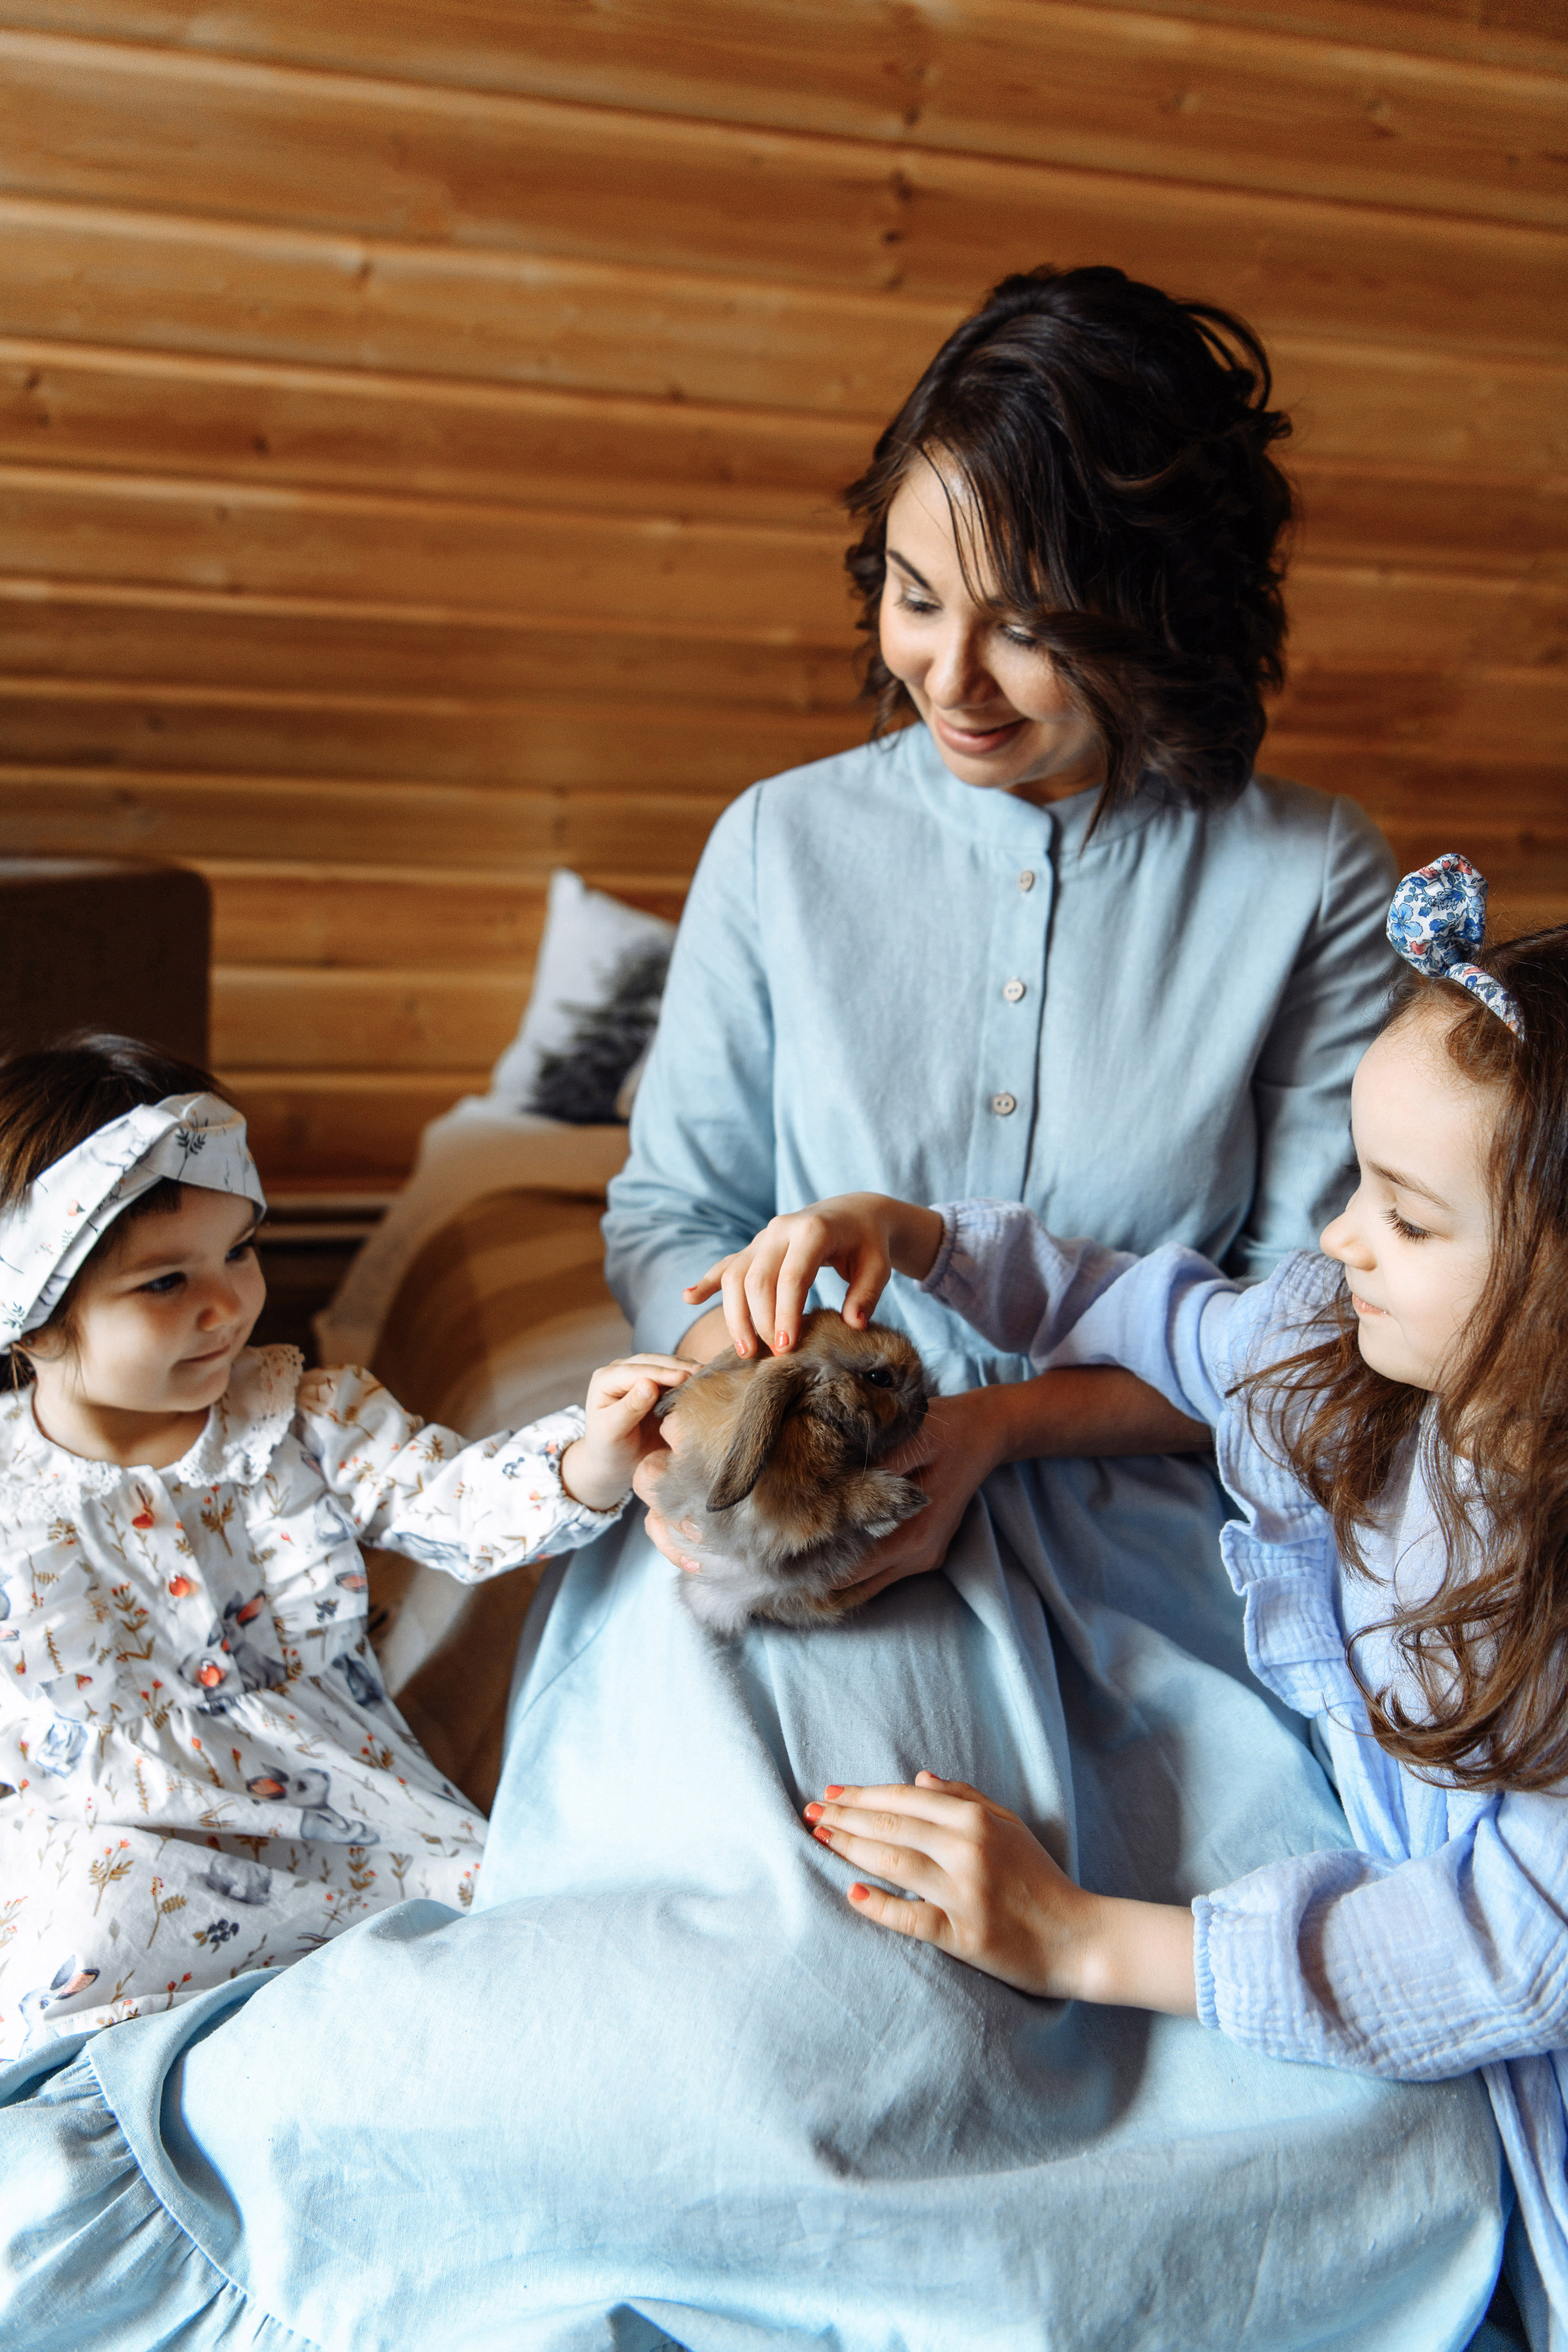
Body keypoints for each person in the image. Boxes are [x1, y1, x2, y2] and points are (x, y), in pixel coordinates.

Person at [695, 858, 1566, 2341]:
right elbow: (1157, 1314)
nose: (1340, 1236)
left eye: (1407, 1221)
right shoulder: (1348, 1353)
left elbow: (1501, 1951)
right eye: (1359, 1182)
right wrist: (912, 1235)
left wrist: (1081, 1940)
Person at [0, 1032, 688, 2059]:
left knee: (485, 1940)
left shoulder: (299, 1417)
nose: (224, 1305)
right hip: (118, 1831)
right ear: (35, 1317)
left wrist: (591, 1456)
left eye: (239, 1250)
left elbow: (453, 1500)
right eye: (164, 1284)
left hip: (339, 1803)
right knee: (96, 1940)